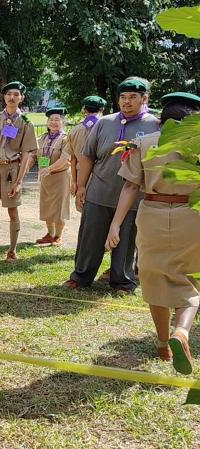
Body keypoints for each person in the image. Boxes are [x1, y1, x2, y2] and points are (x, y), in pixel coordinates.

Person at [105, 92, 200, 372]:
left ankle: (161, 344)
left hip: (152, 215)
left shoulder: (143, 144)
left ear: (162, 120)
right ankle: (181, 332)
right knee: (190, 280)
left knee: (153, 277)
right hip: (191, 216)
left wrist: (116, 224)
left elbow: (130, 186)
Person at [65, 78, 160, 294]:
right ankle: (81, 276)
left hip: (134, 197)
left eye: (133, 97)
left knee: (126, 240)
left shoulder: (154, 125)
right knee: (90, 237)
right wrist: (81, 187)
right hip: (99, 192)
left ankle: (123, 281)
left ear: (144, 98)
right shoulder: (105, 122)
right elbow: (87, 156)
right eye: (123, 97)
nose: (126, 102)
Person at [0, 81, 39, 260]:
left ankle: (12, 250)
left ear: (21, 98)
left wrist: (19, 180)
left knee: (12, 211)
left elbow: (26, 155)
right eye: (9, 94)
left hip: (12, 169)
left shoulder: (26, 123)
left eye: (16, 94)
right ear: (4, 97)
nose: (12, 97)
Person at [35, 107, 71, 246]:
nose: (53, 122)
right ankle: (50, 234)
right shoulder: (42, 138)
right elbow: (34, 155)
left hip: (60, 176)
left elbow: (64, 159)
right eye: (51, 120)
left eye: (57, 119)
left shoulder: (66, 139)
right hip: (46, 177)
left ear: (63, 122)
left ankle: (58, 236)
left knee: (59, 207)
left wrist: (49, 169)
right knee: (47, 205)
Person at [65, 96, 106, 212]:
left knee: (84, 213)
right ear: (102, 109)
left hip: (81, 177)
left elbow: (72, 159)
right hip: (102, 176)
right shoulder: (106, 128)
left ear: (84, 110)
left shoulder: (74, 130)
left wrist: (74, 181)